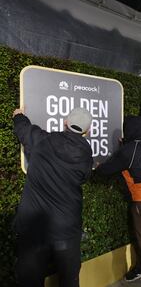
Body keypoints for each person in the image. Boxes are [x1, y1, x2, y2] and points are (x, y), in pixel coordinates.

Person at [12, 107, 93, 287]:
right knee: (69, 280)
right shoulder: (86, 153)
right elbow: (85, 177)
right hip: (67, 232)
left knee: (30, 281)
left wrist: (18, 116)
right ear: (87, 132)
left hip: (34, 232)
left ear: (65, 122)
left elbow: (24, 130)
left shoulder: (43, 141)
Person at [96, 116, 141, 287]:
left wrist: (98, 167)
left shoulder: (128, 151)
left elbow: (107, 169)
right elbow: (134, 157)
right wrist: (125, 145)